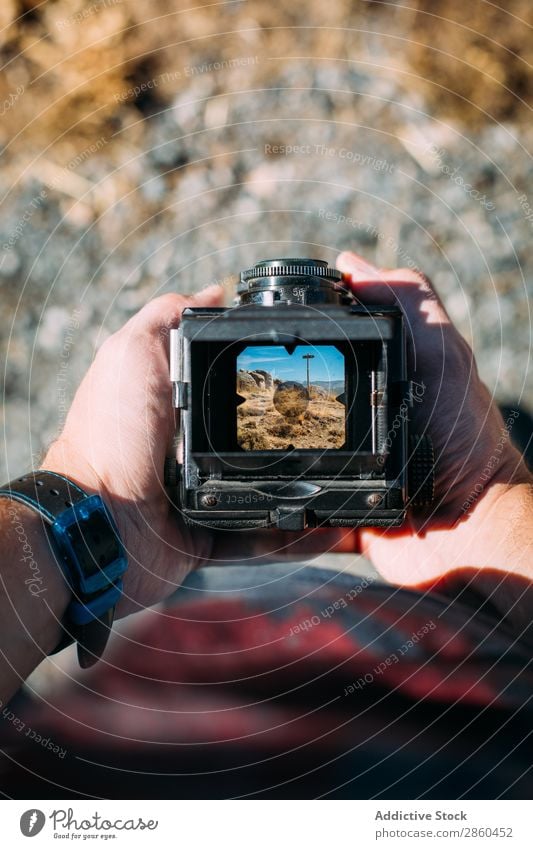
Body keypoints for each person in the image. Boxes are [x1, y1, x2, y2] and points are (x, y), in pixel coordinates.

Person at [0, 252, 532, 799]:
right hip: (465, 726)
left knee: (198, 606)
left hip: (118, 747)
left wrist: (93, 501)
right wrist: (483, 509)